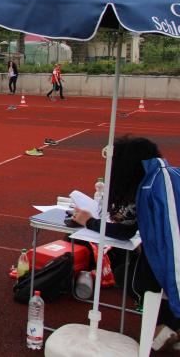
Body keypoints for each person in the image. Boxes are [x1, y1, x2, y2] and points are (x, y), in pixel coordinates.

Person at [71, 136, 180, 351]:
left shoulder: (151, 187)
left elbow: (126, 232)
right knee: (140, 270)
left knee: (138, 278)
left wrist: (88, 221)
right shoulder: (164, 176)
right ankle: (168, 325)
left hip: (173, 255)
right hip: (168, 249)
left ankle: (170, 325)